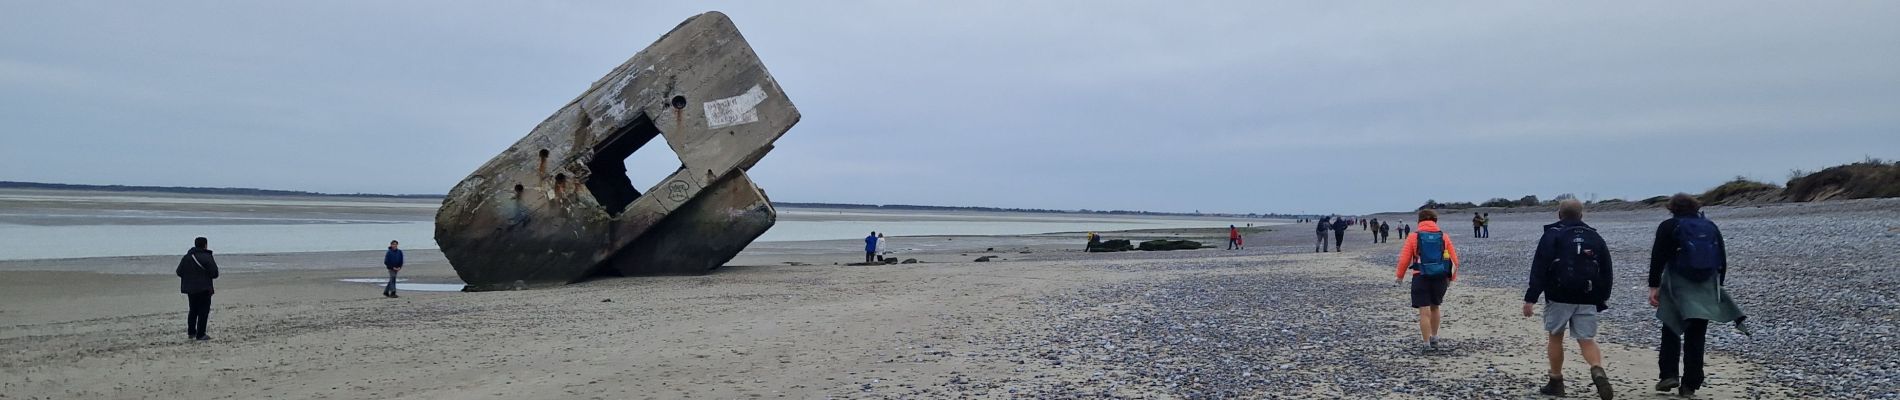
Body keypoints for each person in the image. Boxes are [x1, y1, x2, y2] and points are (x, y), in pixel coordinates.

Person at [1648, 194, 1748, 397]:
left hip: (1676, 284)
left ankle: (1669, 374)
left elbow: (1658, 257)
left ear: (1671, 208)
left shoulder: (1668, 226)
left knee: (1671, 328)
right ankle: (1690, 385)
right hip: (1705, 284)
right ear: (1695, 207)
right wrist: (1718, 286)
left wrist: (1653, 286)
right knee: (1697, 335)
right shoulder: (1709, 226)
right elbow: (1721, 256)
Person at [1523, 200, 1615, 399]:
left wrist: (1531, 298)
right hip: (1588, 295)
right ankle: (1597, 369)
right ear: (1582, 215)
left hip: (1558, 296)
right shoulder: (1594, 236)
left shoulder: (1552, 235)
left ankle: (1556, 381)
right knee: (1587, 340)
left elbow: (1540, 267)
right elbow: (1606, 269)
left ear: (1559, 214)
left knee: (1555, 337)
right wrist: (1602, 297)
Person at [1395, 209, 1460, 351]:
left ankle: (1426, 343)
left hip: (1420, 276)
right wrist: (1451, 277)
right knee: (1435, 307)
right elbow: (1454, 260)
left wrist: (1399, 276)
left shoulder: (1413, 237)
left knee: (1424, 311)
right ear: (1435, 221)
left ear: (1419, 221)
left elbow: (1404, 259)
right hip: (1440, 277)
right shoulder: (1444, 237)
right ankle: (1434, 337)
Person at [176, 237, 219, 341]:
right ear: (205, 245)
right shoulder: (207, 256)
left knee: (193, 310)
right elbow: (215, 273)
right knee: (203, 311)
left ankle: (191, 332)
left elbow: (179, 272)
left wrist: (190, 277)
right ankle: (201, 334)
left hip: (190, 288)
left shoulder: (187, 257)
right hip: (204, 288)